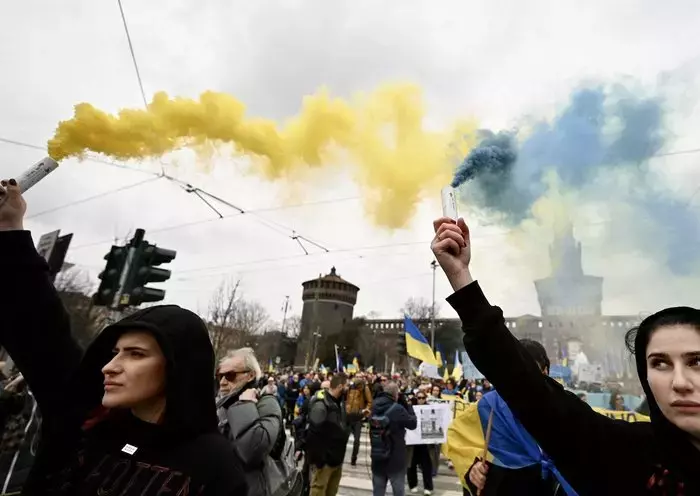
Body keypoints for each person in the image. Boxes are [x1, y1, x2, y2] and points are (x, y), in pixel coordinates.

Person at [0, 180, 247, 495]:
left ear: (176, 367)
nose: (110, 366)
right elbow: (40, 328)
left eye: (136, 354)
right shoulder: (86, 421)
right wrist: (10, 229)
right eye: (115, 352)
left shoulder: (214, 464)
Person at [431, 215, 700, 494]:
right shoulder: (628, 454)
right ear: (645, 375)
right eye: (660, 363)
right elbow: (525, 386)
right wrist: (460, 276)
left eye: (696, 361)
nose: (680, 381)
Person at [217, 348, 283, 496]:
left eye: (230, 375)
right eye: (220, 375)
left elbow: (253, 450)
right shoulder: (219, 405)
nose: (222, 382)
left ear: (250, 375)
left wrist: (243, 405)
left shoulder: (266, 403)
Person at [305, 374, 350, 496]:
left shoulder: (338, 403)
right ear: (340, 386)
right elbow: (314, 433)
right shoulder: (321, 404)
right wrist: (319, 460)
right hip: (325, 460)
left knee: (331, 491)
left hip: (337, 458)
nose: (348, 389)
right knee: (318, 490)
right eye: (347, 386)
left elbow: (341, 423)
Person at [370, 381, 417, 496]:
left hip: (377, 455)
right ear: (396, 394)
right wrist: (408, 405)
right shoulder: (398, 409)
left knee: (378, 491)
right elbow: (412, 424)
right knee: (398, 491)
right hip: (395, 457)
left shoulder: (374, 405)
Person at [407, 392, 434, 495]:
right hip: (413, 442)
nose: (421, 399)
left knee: (426, 465)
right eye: (419, 398)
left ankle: (428, 487)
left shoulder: (429, 408)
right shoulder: (411, 408)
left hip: (425, 443)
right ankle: (412, 484)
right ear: (416, 398)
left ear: (425, 399)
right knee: (411, 464)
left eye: (423, 398)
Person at [345, 373, 373, 466]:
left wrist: (364, 412)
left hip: (358, 417)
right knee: (343, 438)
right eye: (357, 376)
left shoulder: (365, 388)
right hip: (348, 416)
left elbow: (369, 402)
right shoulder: (349, 386)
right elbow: (345, 398)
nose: (358, 378)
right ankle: (339, 457)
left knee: (356, 440)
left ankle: (354, 458)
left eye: (360, 377)